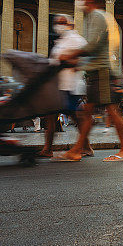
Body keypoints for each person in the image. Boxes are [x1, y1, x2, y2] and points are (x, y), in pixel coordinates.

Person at [57, 0, 123, 162]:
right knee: (87, 113)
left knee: (112, 112)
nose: (81, 0)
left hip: (102, 72)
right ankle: (78, 149)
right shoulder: (96, 17)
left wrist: (72, 55)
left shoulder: (97, 16)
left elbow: (93, 46)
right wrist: (82, 64)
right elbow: (97, 49)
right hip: (97, 71)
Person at [38, 14, 92, 158]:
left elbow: (84, 60)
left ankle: (85, 147)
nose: (58, 25)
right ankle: (48, 149)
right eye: (56, 22)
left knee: (76, 116)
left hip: (71, 85)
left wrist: (65, 61)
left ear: (71, 24)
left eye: (62, 22)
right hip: (58, 85)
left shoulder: (77, 39)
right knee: (52, 115)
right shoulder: (61, 41)